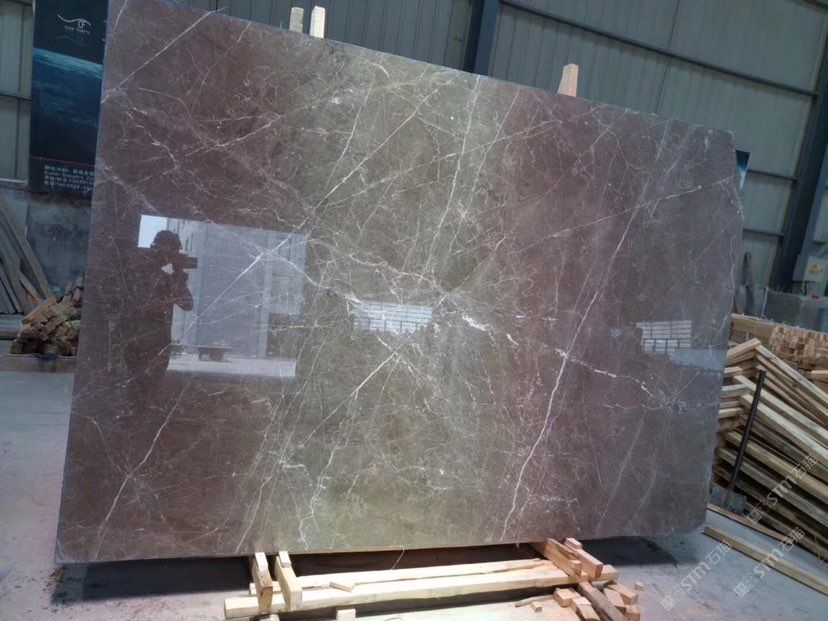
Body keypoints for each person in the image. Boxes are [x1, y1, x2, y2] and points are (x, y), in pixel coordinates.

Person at [123, 230, 194, 384]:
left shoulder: (163, 279)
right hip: (142, 345)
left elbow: (187, 304)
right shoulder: (138, 274)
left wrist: (178, 273)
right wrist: (178, 273)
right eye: (169, 253)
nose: (167, 258)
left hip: (154, 346)